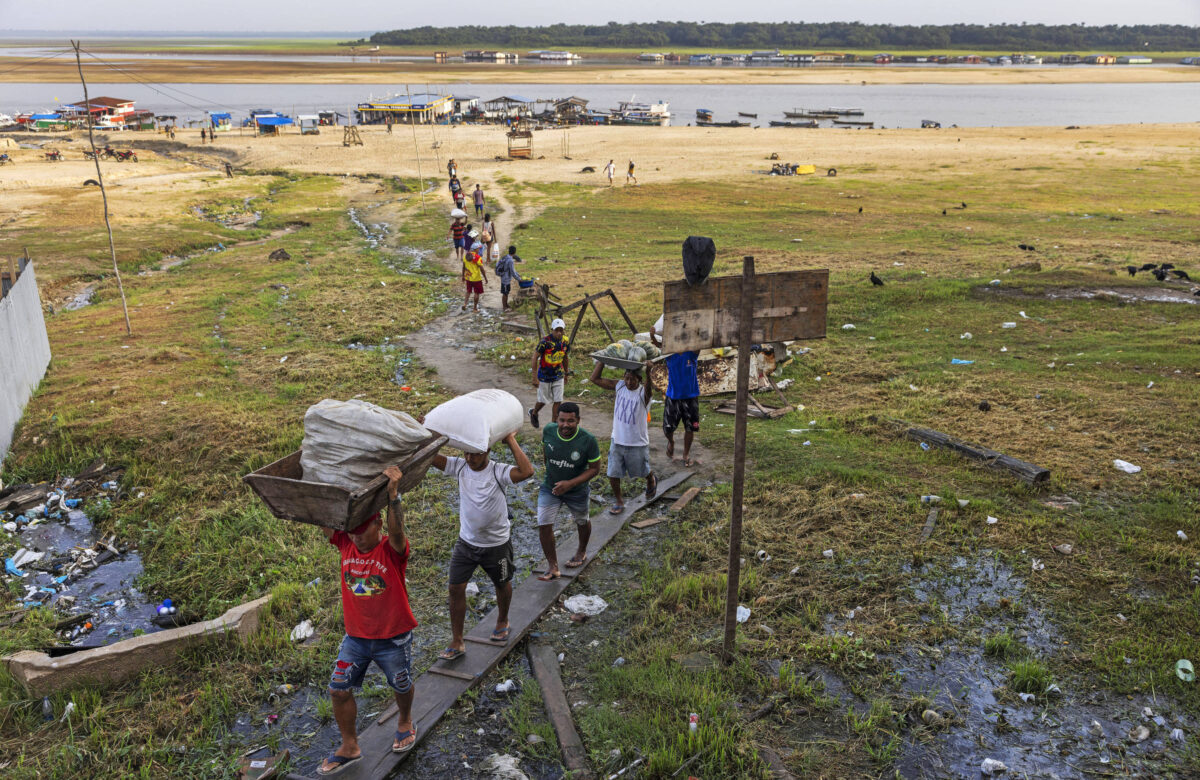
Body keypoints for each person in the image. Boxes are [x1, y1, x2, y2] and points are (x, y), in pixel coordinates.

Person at [317, 466, 417, 775]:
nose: (356, 537)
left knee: (400, 684)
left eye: (362, 530)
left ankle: (404, 721)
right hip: (356, 638)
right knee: (338, 689)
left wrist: (393, 496)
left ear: (377, 525)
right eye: (352, 531)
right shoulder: (346, 543)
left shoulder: (391, 550)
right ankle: (350, 745)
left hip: (393, 637)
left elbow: (399, 532)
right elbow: (324, 520)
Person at [432, 431, 535, 661]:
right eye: (466, 453)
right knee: (455, 587)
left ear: (487, 450)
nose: (470, 458)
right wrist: (426, 435)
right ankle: (457, 640)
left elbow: (527, 471)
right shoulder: (459, 467)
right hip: (466, 543)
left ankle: (502, 620)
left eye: (475, 454)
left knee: (502, 582)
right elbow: (431, 458)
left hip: (497, 544)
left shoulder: (498, 471)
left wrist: (510, 440)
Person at [536, 403, 601, 579]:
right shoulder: (549, 431)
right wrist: (551, 472)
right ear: (556, 419)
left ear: (578, 420)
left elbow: (595, 469)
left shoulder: (588, 440)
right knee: (543, 523)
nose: (565, 425)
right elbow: (545, 452)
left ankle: (581, 551)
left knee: (581, 521)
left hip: (577, 490)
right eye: (562, 420)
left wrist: (571, 483)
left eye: (570, 421)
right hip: (551, 488)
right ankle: (552, 566)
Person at [589, 360, 656, 514]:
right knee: (613, 473)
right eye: (626, 378)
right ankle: (619, 501)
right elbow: (594, 379)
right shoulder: (619, 386)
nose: (629, 382)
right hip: (617, 439)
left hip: (637, 442)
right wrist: (602, 361)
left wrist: (648, 371)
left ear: (639, 380)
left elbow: (649, 390)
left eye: (633, 379)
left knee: (641, 470)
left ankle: (650, 478)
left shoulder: (643, 394)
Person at [662, 348, 701, 467]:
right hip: (673, 396)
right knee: (667, 428)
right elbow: (662, 344)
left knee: (690, 428)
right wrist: (653, 336)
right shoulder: (669, 354)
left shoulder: (691, 353)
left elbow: (699, 343)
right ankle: (671, 442)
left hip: (691, 396)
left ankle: (686, 454)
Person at [529, 318, 569, 428]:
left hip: (558, 375)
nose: (559, 333)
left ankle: (553, 425)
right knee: (543, 400)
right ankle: (534, 412)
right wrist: (534, 376)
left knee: (558, 400)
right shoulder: (545, 342)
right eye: (557, 330)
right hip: (544, 376)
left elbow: (565, 357)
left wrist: (566, 373)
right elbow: (535, 357)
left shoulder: (565, 341)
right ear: (552, 330)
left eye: (561, 330)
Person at [495, 245, 524, 313]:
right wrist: (519, 279)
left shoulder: (506, 257)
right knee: (505, 293)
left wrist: (518, 274)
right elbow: (512, 272)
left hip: (504, 277)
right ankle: (504, 307)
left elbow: (513, 270)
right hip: (505, 279)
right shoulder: (510, 260)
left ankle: (506, 304)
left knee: (507, 292)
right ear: (514, 252)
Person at [461, 241, 488, 312]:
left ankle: (465, 304)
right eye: (478, 249)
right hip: (476, 279)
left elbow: (463, 267)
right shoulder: (478, 258)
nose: (479, 250)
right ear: (475, 249)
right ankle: (475, 308)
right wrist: (485, 278)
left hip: (468, 278)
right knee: (476, 293)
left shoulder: (465, 256)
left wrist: (463, 276)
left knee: (468, 291)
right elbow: (482, 269)